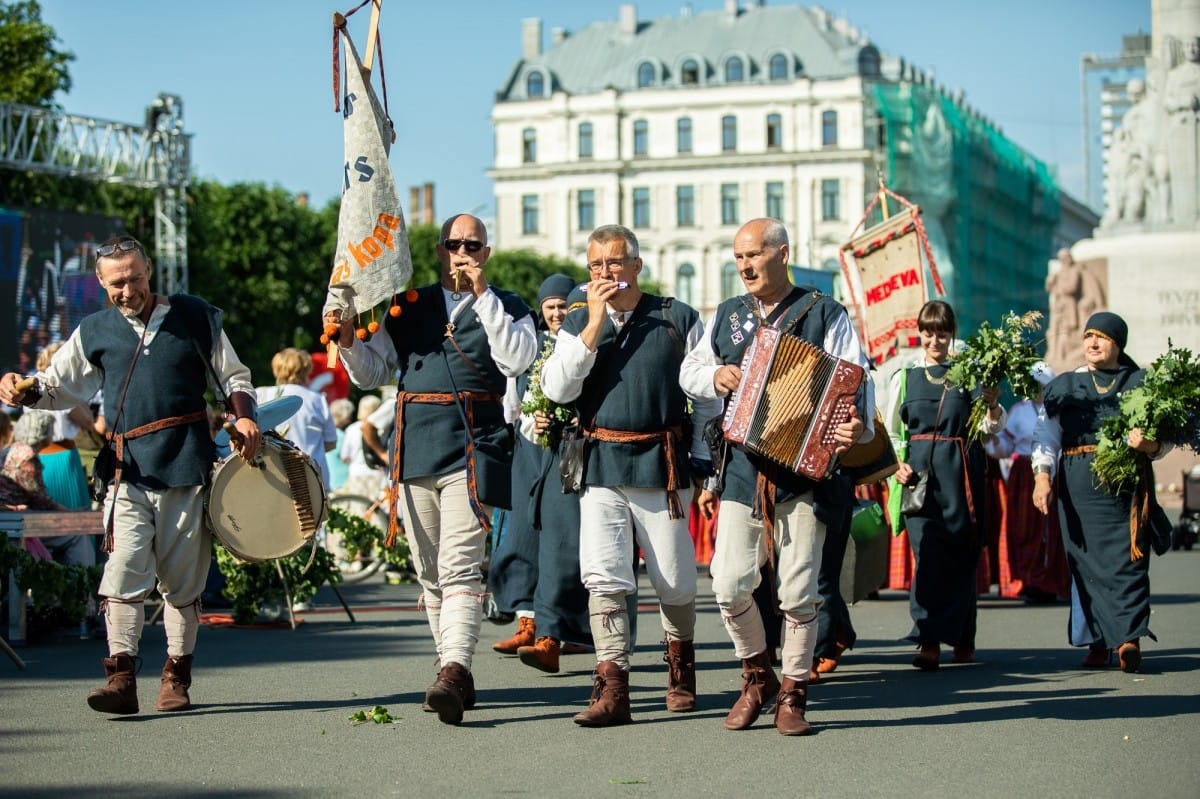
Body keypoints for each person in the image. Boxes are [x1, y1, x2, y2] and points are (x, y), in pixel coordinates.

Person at [0, 234, 261, 716]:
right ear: (101, 282)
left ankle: (176, 675)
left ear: (149, 271)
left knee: (182, 583)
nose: (128, 290)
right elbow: (59, 387)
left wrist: (243, 415)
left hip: (186, 463)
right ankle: (121, 677)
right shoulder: (94, 330)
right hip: (127, 470)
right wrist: (22, 389)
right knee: (121, 571)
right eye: (117, 283)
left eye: (135, 279)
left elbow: (234, 377)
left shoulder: (195, 315)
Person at [328, 213, 536, 725]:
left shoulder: (507, 305)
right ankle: (453, 670)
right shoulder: (407, 305)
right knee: (429, 569)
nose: (462, 251)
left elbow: (516, 360)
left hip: (475, 442)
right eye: (453, 243)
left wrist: (483, 296)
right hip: (418, 442)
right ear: (439, 250)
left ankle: (454, 668)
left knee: (461, 561)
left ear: (486, 252)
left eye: (473, 244)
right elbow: (375, 372)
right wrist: (349, 338)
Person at [680, 218, 871, 735]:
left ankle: (793, 692)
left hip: (804, 473)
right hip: (743, 468)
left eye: (753, 255)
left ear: (782, 254)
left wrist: (855, 425)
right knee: (728, 583)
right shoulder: (727, 315)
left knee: (797, 591)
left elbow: (853, 380)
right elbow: (691, 371)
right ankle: (757, 673)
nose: (744, 266)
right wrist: (714, 376)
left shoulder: (825, 313)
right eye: (738, 258)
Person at [541, 224, 721, 727]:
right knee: (604, 575)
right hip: (600, 465)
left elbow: (706, 398)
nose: (604, 273)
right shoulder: (577, 319)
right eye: (596, 265)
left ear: (636, 265)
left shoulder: (676, 317)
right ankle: (612, 685)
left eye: (614, 263)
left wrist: (704, 461)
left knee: (676, 581)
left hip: (661, 466)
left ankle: (680, 666)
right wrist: (593, 325)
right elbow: (557, 389)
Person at [1032, 312, 1169, 673]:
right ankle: (1096, 640)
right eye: (1088, 335)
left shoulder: (1139, 382)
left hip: (1125, 488)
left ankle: (1128, 638)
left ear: (1118, 344)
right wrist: (1042, 478)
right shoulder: (1065, 385)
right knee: (1085, 565)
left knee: (1129, 562)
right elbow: (1046, 436)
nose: (1093, 343)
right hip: (1078, 489)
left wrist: (1149, 443)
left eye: (1102, 337)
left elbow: (1164, 441)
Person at [888, 300, 1004, 671]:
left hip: (962, 474)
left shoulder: (967, 376)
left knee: (962, 555)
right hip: (919, 478)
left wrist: (991, 406)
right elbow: (892, 431)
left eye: (942, 332)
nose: (935, 340)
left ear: (951, 334)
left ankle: (963, 636)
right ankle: (928, 639)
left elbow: (990, 429)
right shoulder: (904, 377)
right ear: (918, 333)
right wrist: (897, 466)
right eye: (928, 332)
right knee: (927, 558)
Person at [489, 274, 577, 659]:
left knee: (562, 542)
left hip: (572, 453)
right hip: (530, 448)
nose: (557, 313)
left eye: (563, 306)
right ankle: (526, 622)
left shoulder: (584, 342)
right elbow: (515, 401)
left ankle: (557, 631)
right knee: (521, 536)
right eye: (551, 307)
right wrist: (531, 422)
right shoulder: (533, 347)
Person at [992, 361, 1069, 603]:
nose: (1035, 389)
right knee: (1024, 529)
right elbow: (1005, 447)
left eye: (1040, 385)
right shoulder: (1019, 411)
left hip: (1053, 473)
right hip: (1024, 474)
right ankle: (1028, 579)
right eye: (1031, 384)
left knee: (1052, 528)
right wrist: (991, 441)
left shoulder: (1060, 410)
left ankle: (1051, 581)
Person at [9, 410, 94, 566]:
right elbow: (42, 500)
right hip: (17, 524)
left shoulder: (11, 452)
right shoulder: (29, 461)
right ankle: (81, 583)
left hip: (13, 520)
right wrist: (71, 513)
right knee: (78, 532)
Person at [257, 347, 338, 491]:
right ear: (307, 370)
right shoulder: (317, 400)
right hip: (313, 475)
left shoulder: (262, 395)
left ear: (276, 369)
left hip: (275, 476)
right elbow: (330, 443)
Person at [326, 398, 354, 493]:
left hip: (328, 479)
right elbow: (347, 457)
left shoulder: (327, 434)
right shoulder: (341, 436)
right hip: (342, 481)